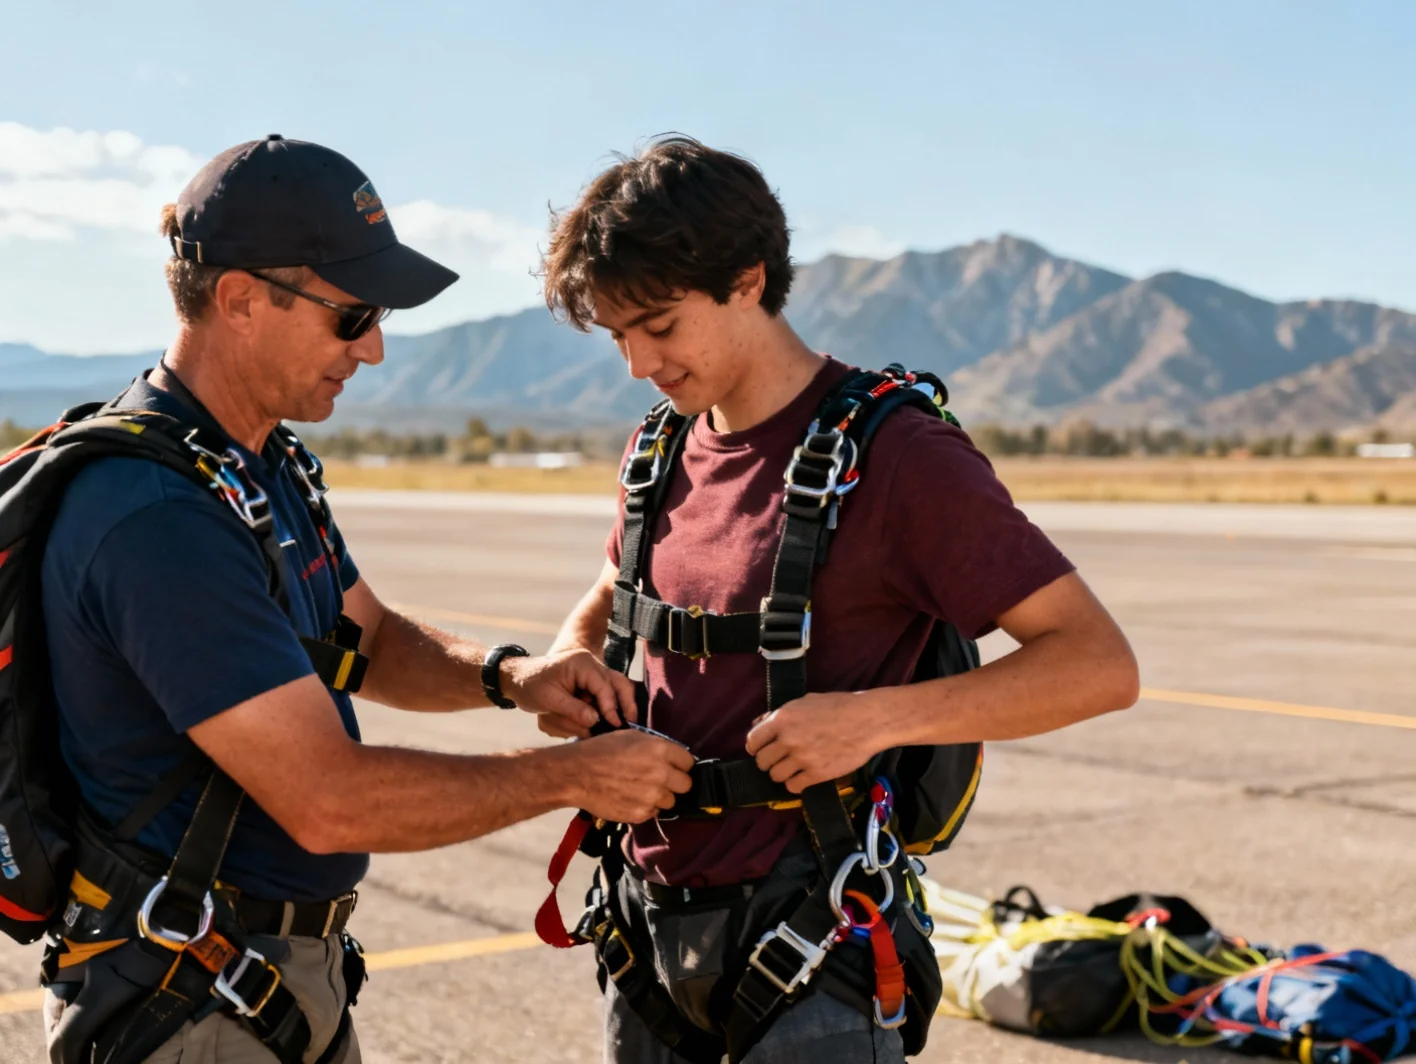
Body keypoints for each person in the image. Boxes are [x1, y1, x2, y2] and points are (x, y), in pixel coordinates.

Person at [35, 135, 693, 1064]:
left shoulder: (256, 464)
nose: (376, 348)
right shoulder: (156, 517)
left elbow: (368, 636)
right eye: (353, 315)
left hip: (266, 982)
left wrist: (514, 676)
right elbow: (327, 800)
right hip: (190, 1008)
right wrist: (574, 778)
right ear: (240, 300)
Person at [537, 136, 1141, 1064]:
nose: (636, 363)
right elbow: (621, 587)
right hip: (644, 941)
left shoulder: (901, 457)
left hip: (814, 956)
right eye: (618, 334)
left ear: (747, 280)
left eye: (657, 325)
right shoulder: (660, 447)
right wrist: (574, 650)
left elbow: (1098, 664)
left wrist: (870, 721)